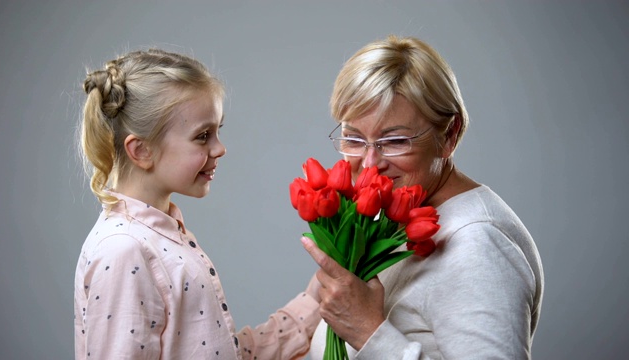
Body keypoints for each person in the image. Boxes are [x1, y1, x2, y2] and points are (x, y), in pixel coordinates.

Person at [302, 35, 544, 359]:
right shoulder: (393, 216)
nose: (371, 163)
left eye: (396, 140)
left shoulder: (478, 245)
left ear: (449, 135)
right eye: (354, 139)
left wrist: (369, 333)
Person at [74, 48, 321, 359]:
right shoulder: (124, 249)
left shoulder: (162, 235)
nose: (220, 149)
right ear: (141, 150)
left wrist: (315, 300)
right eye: (203, 136)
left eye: (218, 132)